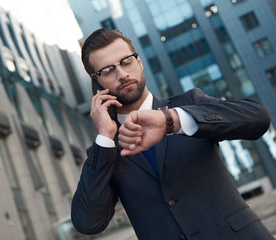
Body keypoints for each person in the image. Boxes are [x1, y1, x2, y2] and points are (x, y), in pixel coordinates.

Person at [71, 28, 274, 240]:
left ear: (139, 63)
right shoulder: (105, 150)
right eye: (107, 70)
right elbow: (87, 223)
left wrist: (172, 120)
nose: (122, 74)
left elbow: (258, 118)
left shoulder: (188, 104)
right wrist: (104, 137)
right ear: (97, 84)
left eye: (126, 61)